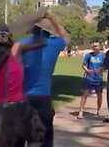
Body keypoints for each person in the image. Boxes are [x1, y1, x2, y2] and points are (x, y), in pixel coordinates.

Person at [0, 23, 47, 147]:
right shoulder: (15, 50)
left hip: (2, 111)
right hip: (21, 107)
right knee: (37, 136)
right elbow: (42, 42)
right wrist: (33, 29)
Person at [15, 13, 70, 147]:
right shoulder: (55, 44)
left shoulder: (22, 44)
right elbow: (66, 37)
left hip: (24, 96)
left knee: (19, 137)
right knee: (44, 138)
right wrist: (52, 18)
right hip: (43, 97)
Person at [77, 41, 104, 119]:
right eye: (93, 46)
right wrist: (88, 71)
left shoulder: (102, 56)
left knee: (99, 96)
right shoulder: (88, 55)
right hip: (89, 78)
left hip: (98, 79)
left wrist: (101, 69)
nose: (95, 47)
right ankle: (81, 111)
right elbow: (84, 65)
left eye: (96, 46)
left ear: (100, 47)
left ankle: (98, 110)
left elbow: (105, 67)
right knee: (85, 94)